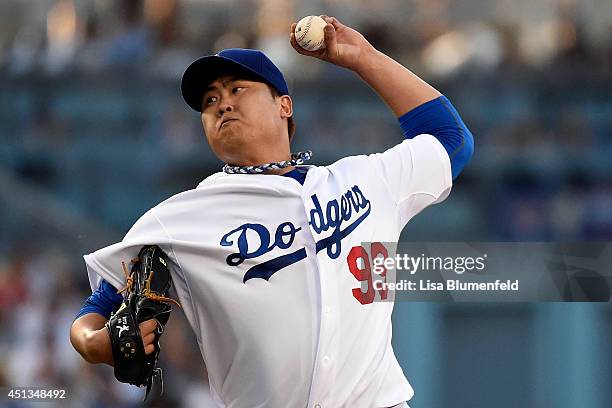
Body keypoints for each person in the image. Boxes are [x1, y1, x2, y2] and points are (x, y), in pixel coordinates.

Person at [70, 15, 473, 407]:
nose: (222, 104)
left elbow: (451, 139)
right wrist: (94, 343)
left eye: (236, 89)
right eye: (210, 100)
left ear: (284, 105)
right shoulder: (180, 219)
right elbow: (91, 317)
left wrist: (364, 57)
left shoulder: (364, 180)